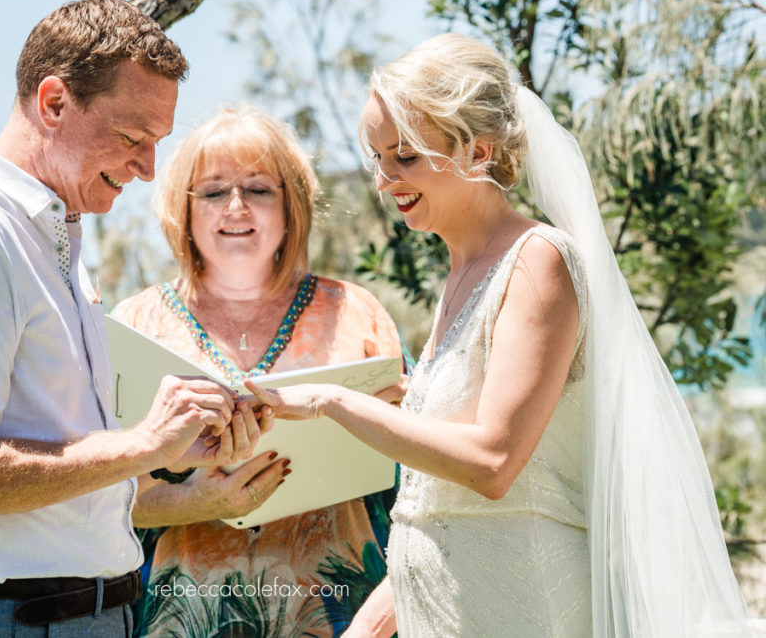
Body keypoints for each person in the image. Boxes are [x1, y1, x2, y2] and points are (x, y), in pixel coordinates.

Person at [246, 33, 754, 637]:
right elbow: (436, 509)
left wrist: (335, 402)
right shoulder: (461, 273)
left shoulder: (538, 261)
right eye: (378, 159)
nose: (385, 182)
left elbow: (492, 464)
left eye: (404, 156)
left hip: (523, 608)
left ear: (479, 151)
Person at [0, 0, 270, 637]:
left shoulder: (53, 235)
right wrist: (140, 444)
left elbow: (64, 466)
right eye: (134, 138)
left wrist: (174, 464)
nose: (147, 169)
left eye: (156, 143)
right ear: (53, 103)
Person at [110, 105, 406, 636]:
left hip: (345, 617)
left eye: (259, 189)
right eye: (214, 190)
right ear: (185, 208)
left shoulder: (357, 313)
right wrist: (194, 502)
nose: (236, 206)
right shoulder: (133, 325)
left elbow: (417, 490)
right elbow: (95, 500)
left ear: (290, 207)